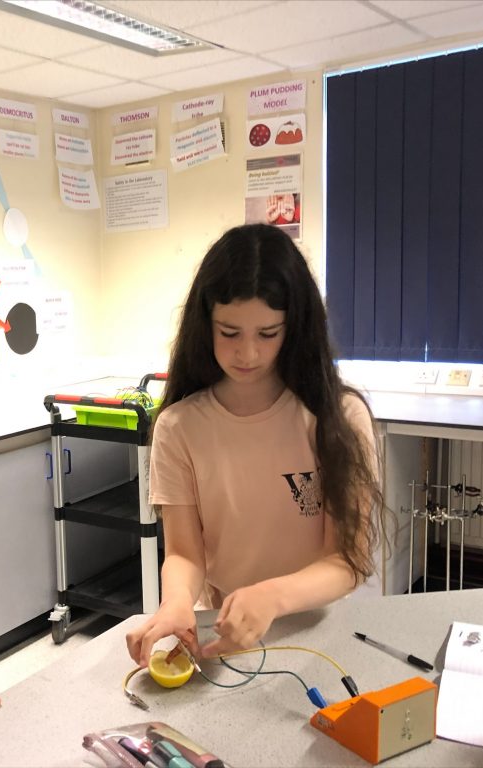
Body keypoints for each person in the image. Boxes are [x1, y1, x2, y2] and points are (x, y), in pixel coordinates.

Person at [126, 224, 383, 667]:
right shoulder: (179, 426)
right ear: (204, 324)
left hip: (326, 632)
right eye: (229, 333)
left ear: (295, 327)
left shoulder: (338, 419)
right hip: (229, 637)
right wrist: (176, 602)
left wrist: (272, 596)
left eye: (268, 334)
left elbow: (347, 559)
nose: (247, 353)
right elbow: (186, 553)